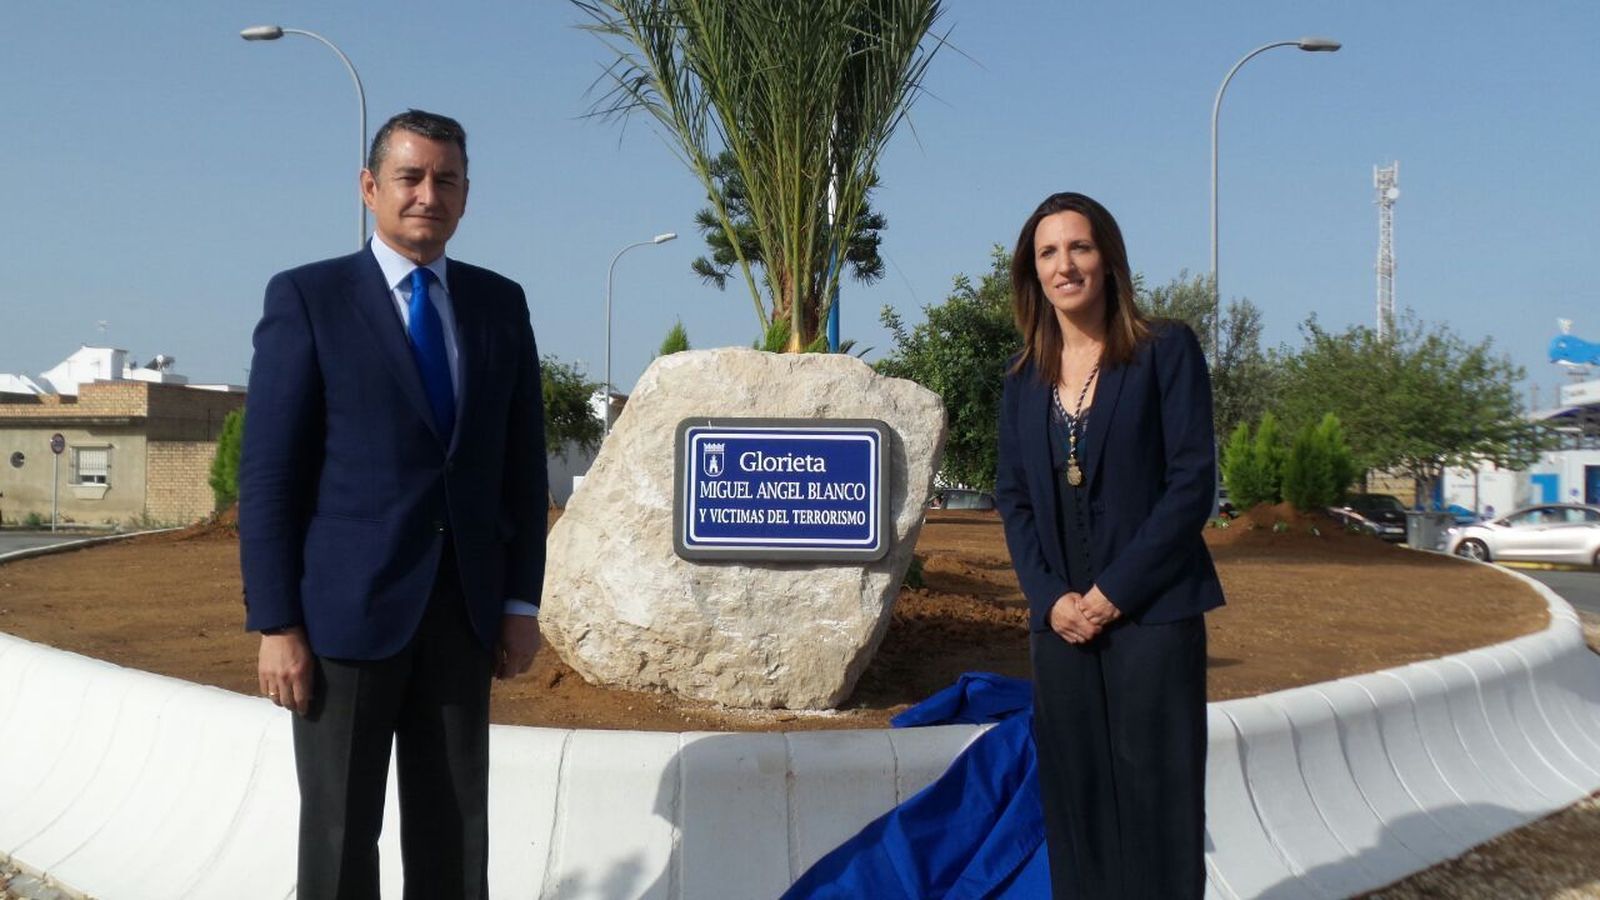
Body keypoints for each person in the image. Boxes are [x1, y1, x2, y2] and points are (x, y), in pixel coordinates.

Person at [240, 109, 547, 899]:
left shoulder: (498, 304)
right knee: (341, 836)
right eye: (410, 177)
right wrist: (277, 625)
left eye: (446, 179)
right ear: (371, 188)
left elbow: (520, 468)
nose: (427, 195)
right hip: (343, 622)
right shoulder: (308, 298)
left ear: (466, 196)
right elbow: (271, 478)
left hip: (462, 616)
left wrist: (520, 602)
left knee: (455, 831)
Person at [994, 192, 1224, 898]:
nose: (1065, 265)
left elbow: (1192, 484)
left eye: (1079, 247)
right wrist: (1049, 597)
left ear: (1109, 259)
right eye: (1048, 253)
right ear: (1032, 275)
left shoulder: (1164, 352)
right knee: (1079, 809)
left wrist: (1111, 594)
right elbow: (1015, 498)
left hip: (1151, 620)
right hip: (1061, 630)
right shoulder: (1021, 381)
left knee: (1159, 807)